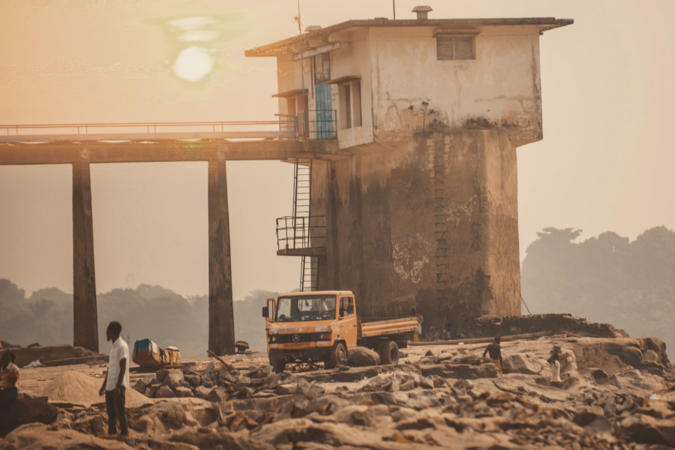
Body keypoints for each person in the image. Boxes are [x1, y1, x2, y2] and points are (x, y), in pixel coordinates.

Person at [99, 321, 130, 436]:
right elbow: (110, 367)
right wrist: (103, 385)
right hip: (109, 384)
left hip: (118, 384)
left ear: (112, 332)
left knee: (120, 411)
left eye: (107, 331)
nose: (106, 333)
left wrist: (118, 386)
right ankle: (112, 433)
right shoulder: (112, 346)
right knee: (111, 412)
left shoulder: (122, 346)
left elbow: (123, 368)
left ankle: (124, 434)